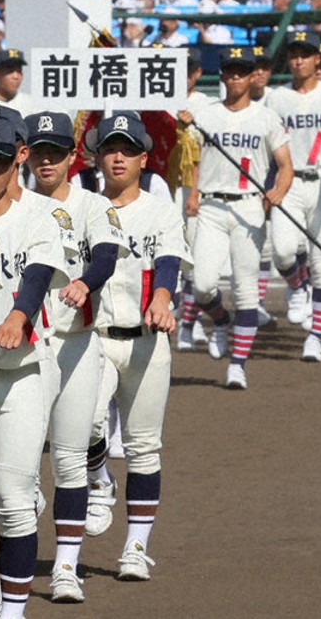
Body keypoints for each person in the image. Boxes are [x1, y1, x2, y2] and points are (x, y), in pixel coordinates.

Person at [0, 115, 66, 619]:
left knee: (17, 498)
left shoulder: (40, 216)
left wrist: (21, 314)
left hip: (21, 372)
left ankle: (13, 608)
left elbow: (40, 274)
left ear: (19, 156)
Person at [81, 111, 190, 585]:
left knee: (145, 449)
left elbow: (168, 261)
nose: (118, 156)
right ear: (97, 156)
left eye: (127, 148)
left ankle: (135, 548)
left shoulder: (160, 210)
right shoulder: (84, 208)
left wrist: (163, 299)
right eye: (110, 148)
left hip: (148, 344)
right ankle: (100, 480)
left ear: (145, 158)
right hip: (96, 340)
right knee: (84, 424)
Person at [23, 111, 127, 603]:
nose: (47, 159)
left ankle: (65, 567)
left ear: (72, 156)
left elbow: (106, 253)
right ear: (24, 154)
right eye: (38, 150)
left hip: (75, 346)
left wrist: (88, 279)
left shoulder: (92, 204)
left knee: (67, 460)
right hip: (22, 352)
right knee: (16, 468)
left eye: (56, 151)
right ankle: (9, 569)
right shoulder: (11, 206)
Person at [181, 47, 293, 389]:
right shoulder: (207, 114)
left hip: (248, 206)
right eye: (229, 71)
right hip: (213, 206)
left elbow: (285, 165)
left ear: (250, 76)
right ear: (223, 75)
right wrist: (194, 192)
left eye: (241, 72)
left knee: (246, 291)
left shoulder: (266, 117)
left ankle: (237, 365)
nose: (234, 78)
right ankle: (221, 320)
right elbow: (194, 158)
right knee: (202, 285)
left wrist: (279, 191)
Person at [265, 32, 321, 342]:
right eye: (293, 54)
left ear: (317, 59)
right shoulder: (276, 97)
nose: (298, 60)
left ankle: (318, 334)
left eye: (305, 54)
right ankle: (296, 286)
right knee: (283, 252)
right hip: (287, 180)